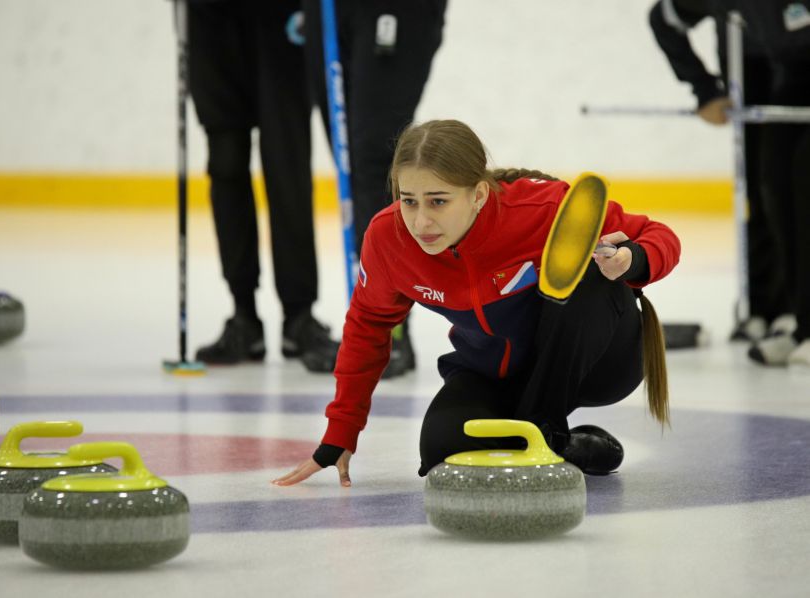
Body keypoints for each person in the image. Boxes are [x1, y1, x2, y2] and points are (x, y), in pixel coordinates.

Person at [272, 120, 681, 487]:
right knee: (442, 451)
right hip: (499, 374)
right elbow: (367, 326)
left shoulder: (543, 209)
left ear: (478, 194)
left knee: (590, 275)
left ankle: (544, 429)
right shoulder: (388, 239)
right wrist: (341, 433)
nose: (420, 222)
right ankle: (560, 445)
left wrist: (631, 259)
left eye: (438, 201)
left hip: (600, 364)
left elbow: (659, 235)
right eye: (409, 200)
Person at [298, 0, 449, 377]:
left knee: (374, 160)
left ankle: (388, 329)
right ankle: (368, 325)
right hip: (327, 9)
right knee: (349, 163)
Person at [186, 0, 339, 366]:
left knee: (287, 161)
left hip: (282, 14)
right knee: (225, 161)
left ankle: (298, 315)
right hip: (211, 18)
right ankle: (243, 313)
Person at [649, 0, 792, 342]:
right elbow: (664, 18)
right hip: (752, 81)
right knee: (761, 193)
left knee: (791, 191)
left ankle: (796, 309)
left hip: (798, 80)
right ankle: (762, 307)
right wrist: (704, 89)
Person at [733, 0, 810, 367]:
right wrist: (704, 89)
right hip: (793, 80)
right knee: (777, 193)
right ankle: (802, 324)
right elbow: (667, 17)